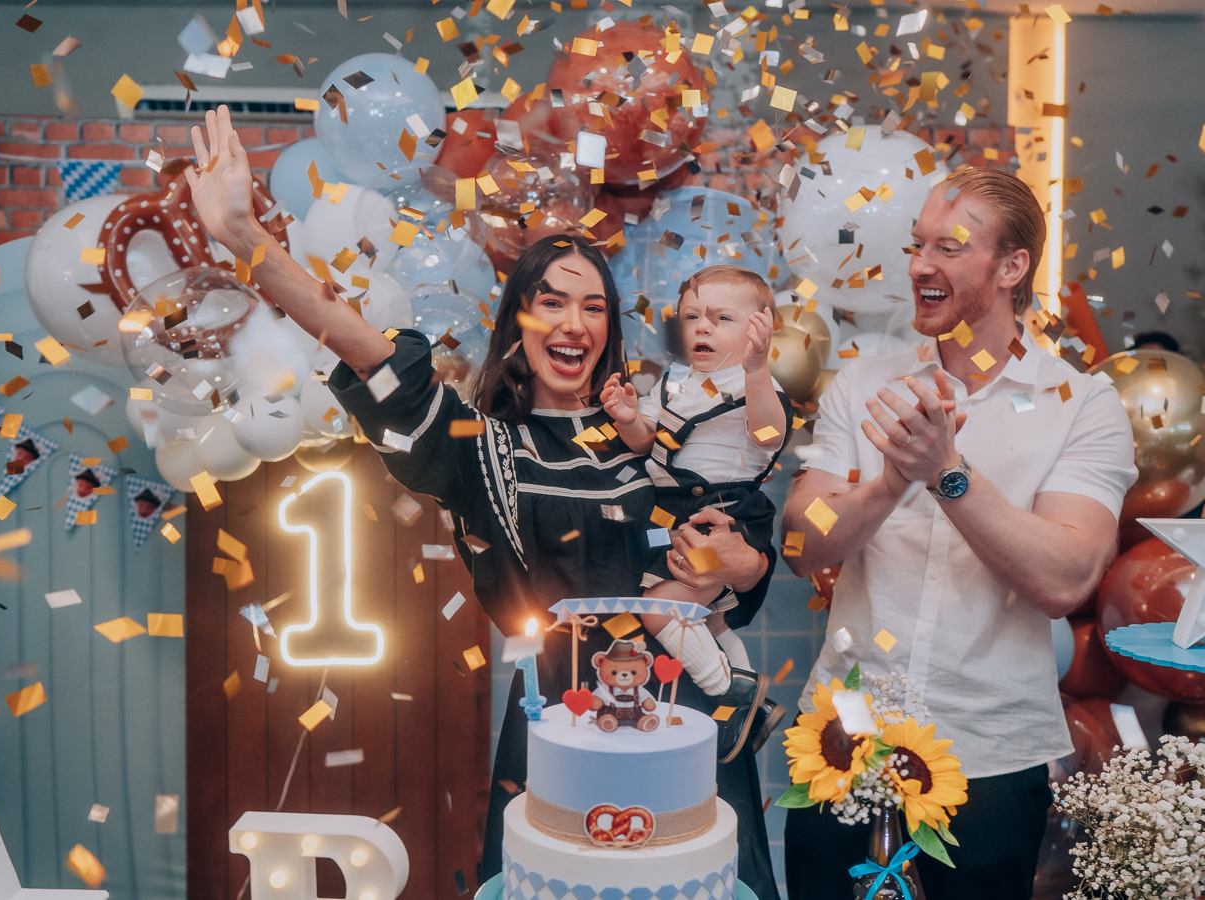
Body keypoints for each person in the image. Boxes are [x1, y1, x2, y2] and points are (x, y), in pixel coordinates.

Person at [183, 106, 781, 898]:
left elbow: (744, 541)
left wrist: (743, 563)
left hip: (690, 725)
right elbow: (373, 359)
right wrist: (244, 238)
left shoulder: (655, 434)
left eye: (593, 306)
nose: (574, 323)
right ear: (518, 321)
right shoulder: (484, 447)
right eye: (552, 302)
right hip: (563, 727)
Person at [780, 167, 1137, 900]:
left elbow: (1066, 577)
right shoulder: (863, 385)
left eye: (949, 248)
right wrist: (888, 482)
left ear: (1011, 267)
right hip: (842, 736)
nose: (920, 265)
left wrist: (947, 473)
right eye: (918, 245)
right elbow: (800, 545)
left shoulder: (1082, 405)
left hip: (991, 753)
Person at [601, 265, 790, 758]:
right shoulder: (673, 382)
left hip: (724, 511)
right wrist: (629, 418)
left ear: (758, 330)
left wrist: (756, 368)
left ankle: (728, 693)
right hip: (671, 512)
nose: (702, 326)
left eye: (722, 318)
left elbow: (769, 436)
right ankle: (755, 709)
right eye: (691, 317)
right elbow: (647, 441)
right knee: (709, 623)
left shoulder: (753, 384)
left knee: (659, 606)